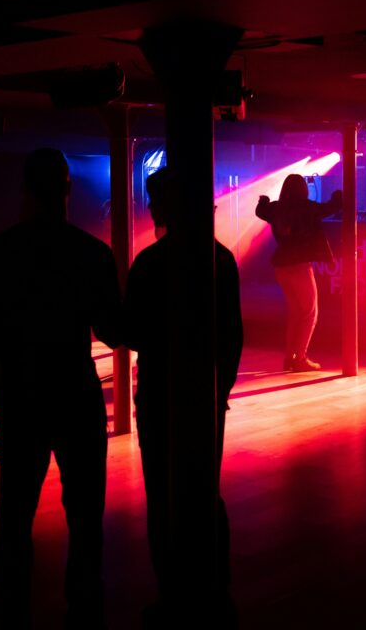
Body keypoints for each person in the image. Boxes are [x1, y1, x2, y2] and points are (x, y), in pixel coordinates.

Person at [0, 148, 122, 629]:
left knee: (15, 513)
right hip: (75, 392)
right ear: (67, 190)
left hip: (21, 393)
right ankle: (84, 603)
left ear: (24, 190)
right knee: (84, 513)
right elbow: (113, 331)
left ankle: (11, 603)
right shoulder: (91, 253)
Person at [123, 167, 243, 624]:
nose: (150, 209)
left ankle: (171, 593)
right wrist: (220, 387)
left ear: (166, 206)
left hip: (158, 394)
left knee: (162, 494)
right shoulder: (223, 259)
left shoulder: (150, 263)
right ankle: (216, 588)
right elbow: (232, 335)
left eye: (154, 202)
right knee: (206, 494)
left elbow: (132, 332)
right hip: (208, 396)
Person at [255, 174, 341, 372]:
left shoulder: (276, 209)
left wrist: (263, 200)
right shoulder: (307, 208)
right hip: (299, 266)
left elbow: (261, 210)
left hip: (281, 266)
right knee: (310, 313)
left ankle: (289, 357)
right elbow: (331, 207)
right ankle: (300, 358)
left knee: (296, 313)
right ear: (303, 189)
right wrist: (338, 196)